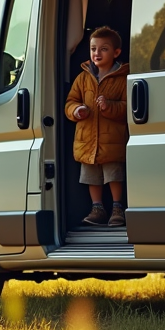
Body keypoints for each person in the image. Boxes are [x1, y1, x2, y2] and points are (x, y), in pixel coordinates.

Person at [65, 26, 130, 227]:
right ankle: (97, 208)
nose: (97, 53)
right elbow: (70, 102)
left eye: (104, 49)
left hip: (112, 140)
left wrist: (109, 106)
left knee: (113, 174)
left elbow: (128, 108)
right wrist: (77, 111)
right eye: (93, 49)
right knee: (91, 176)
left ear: (116, 52)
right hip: (87, 140)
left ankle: (117, 208)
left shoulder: (122, 79)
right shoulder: (83, 78)